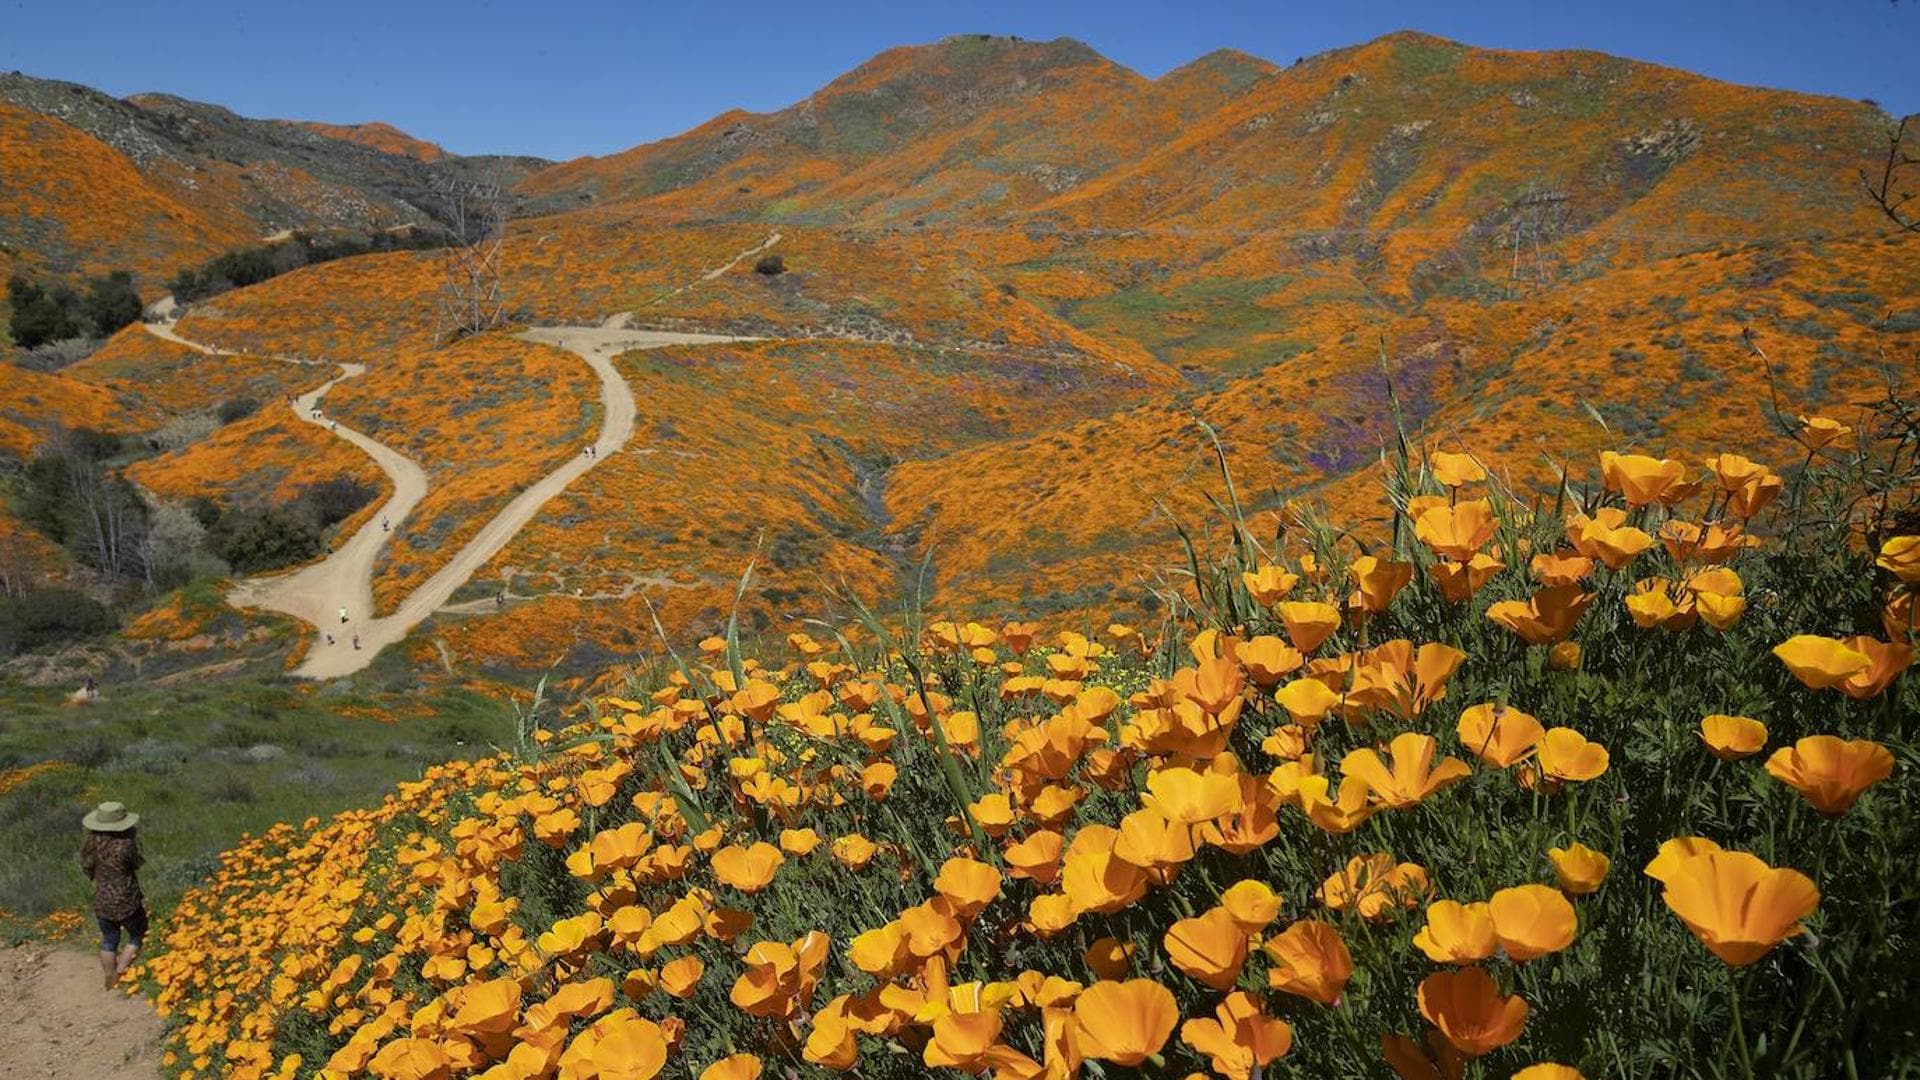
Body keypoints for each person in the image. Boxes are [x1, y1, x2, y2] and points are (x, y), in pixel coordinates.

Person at [80, 802, 147, 989]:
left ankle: (109, 976)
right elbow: (136, 864)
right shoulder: (125, 845)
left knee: (109, 939)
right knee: (137, 935)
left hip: (102, 900)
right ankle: (120, 972)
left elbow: (88, 870)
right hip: (127, 900)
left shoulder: (90, 846)